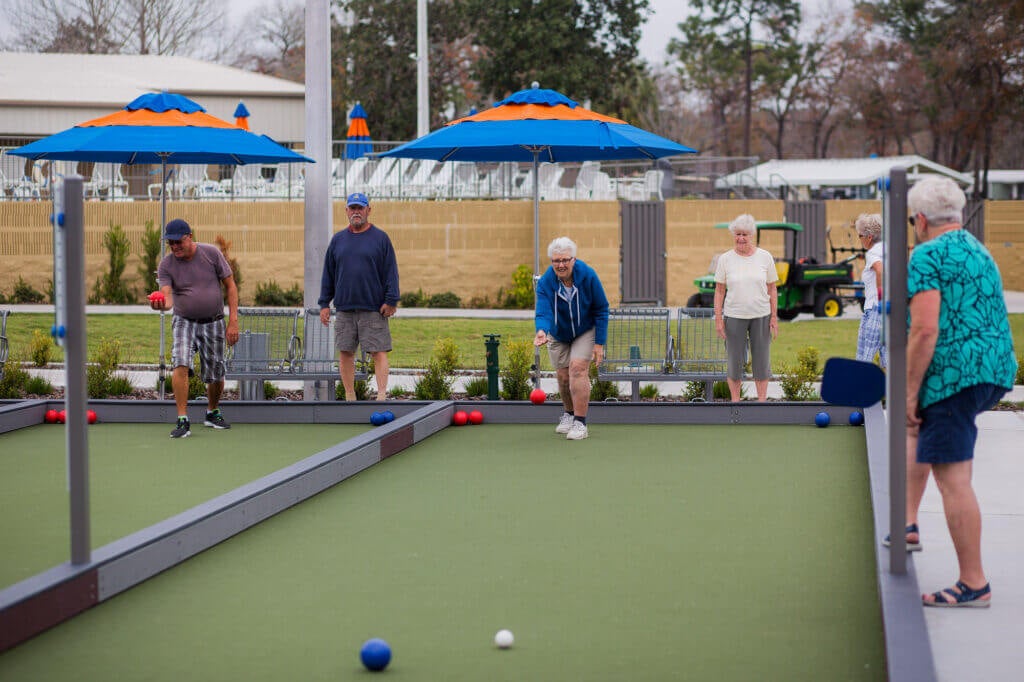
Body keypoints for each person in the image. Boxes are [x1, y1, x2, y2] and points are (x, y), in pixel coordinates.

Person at [902, 176, 1016, 608]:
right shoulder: (977, 248)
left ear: (921, 219)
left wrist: (911, 392)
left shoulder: (926, 254)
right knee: (920, 436)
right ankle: (907, 522)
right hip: (994, 370)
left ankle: (974, 583)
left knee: (954, 480)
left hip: (955, 376)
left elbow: (925, 329)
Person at [150, 218, 239, 439]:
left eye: (178, 241)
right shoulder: (166, 265)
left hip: (214, 321)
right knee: (180, 361)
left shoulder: (211, 253)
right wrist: (160, 305)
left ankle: (212, 412)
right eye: (170, 243)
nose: (174, 247)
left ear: (189, 236)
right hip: (184, 320)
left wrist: (233, 321)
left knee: (215, 372)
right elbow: (168, 298)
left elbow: (230, 286)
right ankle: (183, 419)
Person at [318, 192, 399, 401]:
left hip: (373, 308)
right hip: (345, 308)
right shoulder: (337, 240)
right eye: (352, 208)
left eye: (360, 208)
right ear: (346, 211)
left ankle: (381, 395)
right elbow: (328, 273)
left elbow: (391, 271)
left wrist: (391, 300)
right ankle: (349, 395)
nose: (356, 212)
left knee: (378, 351)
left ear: (368, 210)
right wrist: (324, 304)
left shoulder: (380, 239)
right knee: (345, 352)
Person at [534, 237, 609, 441]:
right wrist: (541, 330)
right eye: (556, 260)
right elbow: (543, 311)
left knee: (577, 368)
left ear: (574, 259)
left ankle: (580, 422)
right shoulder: (546, 283)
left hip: (585, 329)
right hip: (559, 333)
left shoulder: (588, 276)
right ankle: (568, 414)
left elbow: (602, 309)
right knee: (563, 376)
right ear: (551, 261)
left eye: (565, 260)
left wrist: (599, 343)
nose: (561, 265)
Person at [713, 214, 779, 402]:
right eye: (738, 234)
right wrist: (718, 319)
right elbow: (719, 291)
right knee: (734, 361)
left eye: (745, 234)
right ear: (733, 235)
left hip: (761, 316)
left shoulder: (765, 257)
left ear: (752, 235)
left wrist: (774, 317)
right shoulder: (725, 259)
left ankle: (762, 401)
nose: (741, 238)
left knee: (761, 361)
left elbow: (772, 289)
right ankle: (735, 401)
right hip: (734, 316)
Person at [855, 213, 887, 368]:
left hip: (875, 309)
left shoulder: (873, 253)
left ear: (868, 237)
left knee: (863, 359)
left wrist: (881, 297)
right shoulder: (889, 249)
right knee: (888, 360)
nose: (859, 239)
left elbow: (880, 270)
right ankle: (893, 392)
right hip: (889, 311)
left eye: (859, 236)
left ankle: (858, 391)